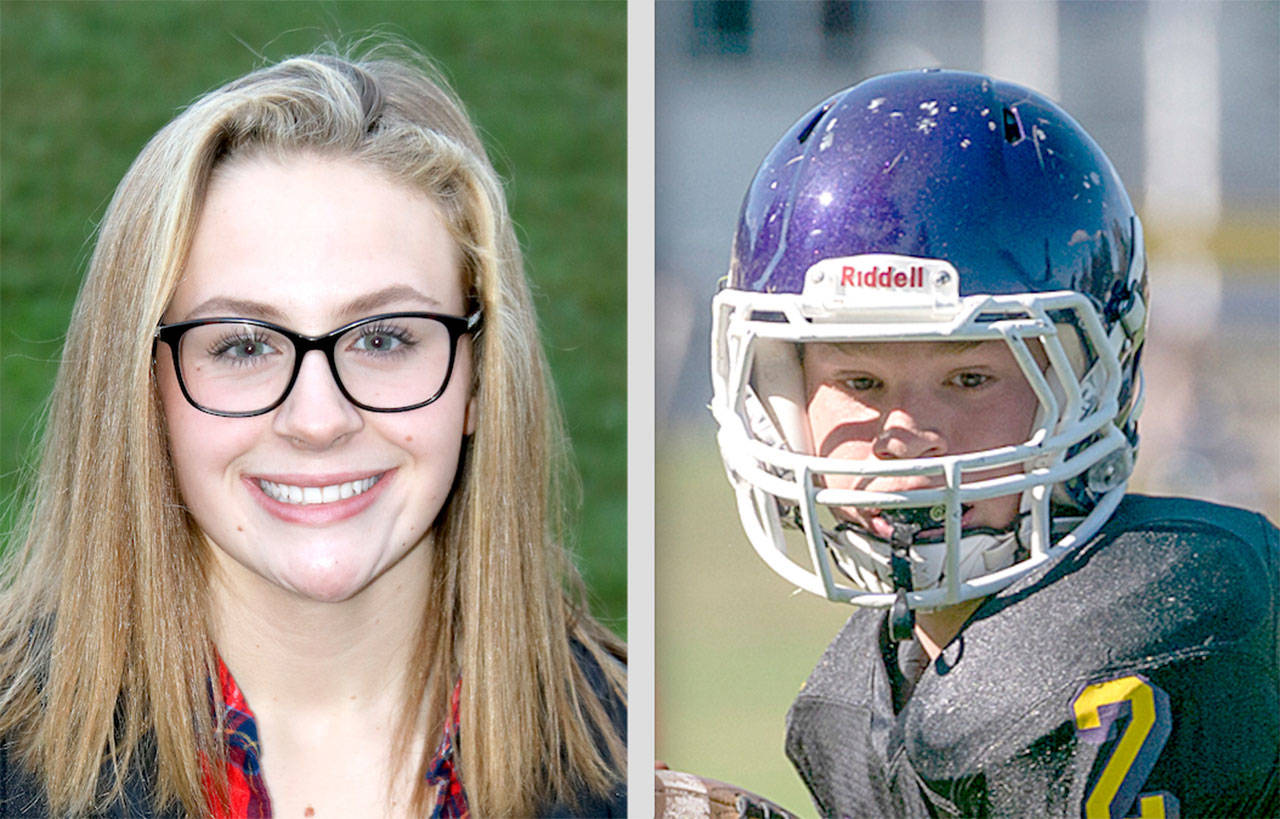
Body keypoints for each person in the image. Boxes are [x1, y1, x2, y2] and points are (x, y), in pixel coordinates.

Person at [0, 47, 625, 818]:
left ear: (479, 377)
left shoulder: (638, 774)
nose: (319, 420)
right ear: (144, 389)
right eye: (243, 345)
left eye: (385, 338)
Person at [709, 68, 1278, 817]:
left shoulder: (1154, 627)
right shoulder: (855, 698)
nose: (905, 434)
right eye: (861, 383)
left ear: (1093, 380)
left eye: (970, 378)